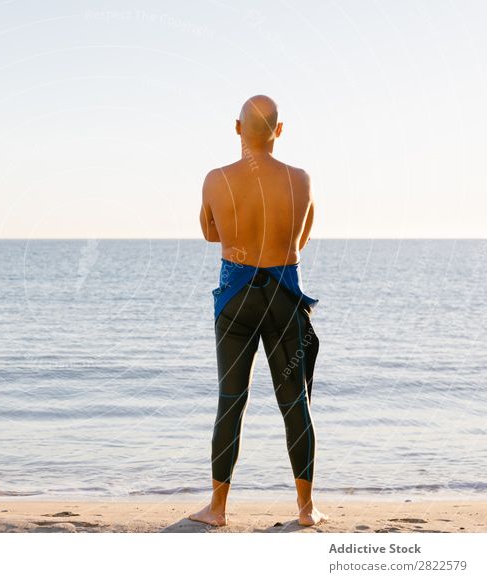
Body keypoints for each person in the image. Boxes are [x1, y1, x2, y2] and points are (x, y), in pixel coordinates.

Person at [188, 95, 328, 527]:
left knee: (230, 402)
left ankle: (217, 509)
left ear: (237, 128)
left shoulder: (215, 179)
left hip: (236, 299)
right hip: (285, 297)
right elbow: (302, 239)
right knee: (295, 405)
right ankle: (306, 511)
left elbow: (210, 232)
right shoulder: (301, 180)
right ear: (279, 131)